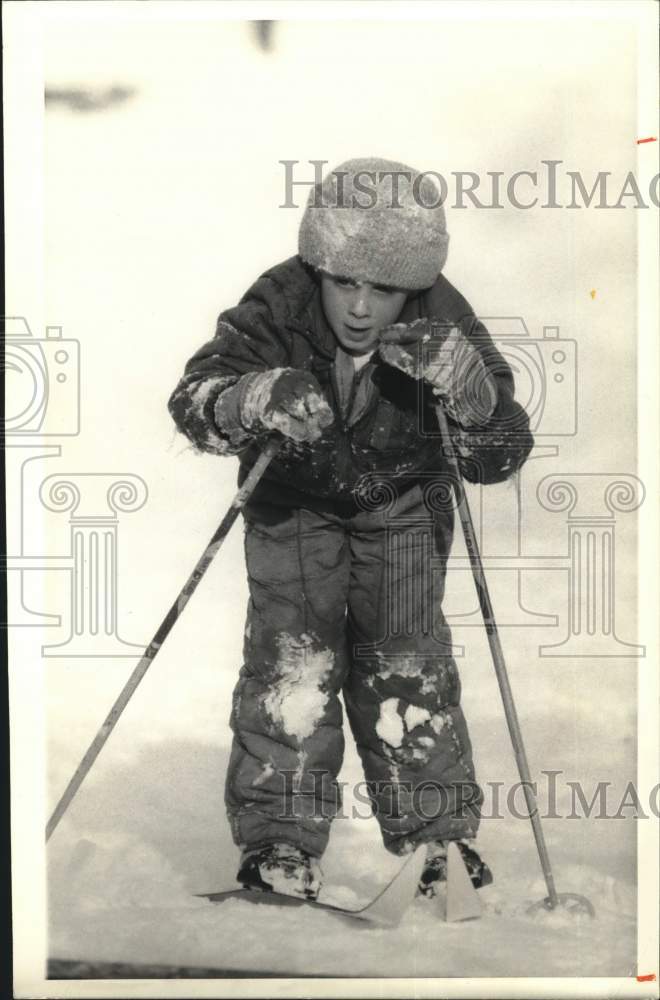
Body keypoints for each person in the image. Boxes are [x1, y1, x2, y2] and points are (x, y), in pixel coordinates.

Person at [168, 158, 534, 902]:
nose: (362, 308)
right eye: (344, 283)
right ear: (318, 265)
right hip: (294, 502)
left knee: (405, 661)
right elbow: (193, 400)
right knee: (293, 662)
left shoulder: (443, 311)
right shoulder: (278, 300)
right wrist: (250, 397)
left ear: (416, 284)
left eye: (385, 290)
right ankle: (280, 839)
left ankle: (438, 836)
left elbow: (500, 447)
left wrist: (466, 390)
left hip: (402, 504)